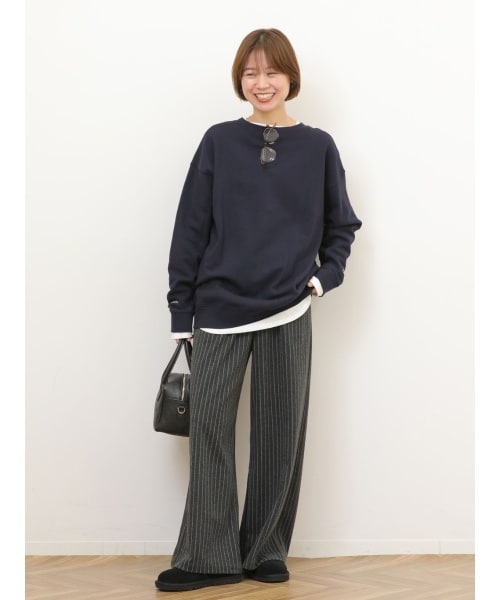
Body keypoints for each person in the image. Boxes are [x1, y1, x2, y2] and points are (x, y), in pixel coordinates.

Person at [155, 28, 362, 593]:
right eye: (250, 73)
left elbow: (342, 226)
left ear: (291, 77)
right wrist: (181, 310)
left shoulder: (319, 147)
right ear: (239, 80)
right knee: (209, 433)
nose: (261, 82)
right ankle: (208, 557)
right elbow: (190, 227)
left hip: (289, 309)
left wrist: (322, 279)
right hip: (218, 309)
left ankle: (265, 550)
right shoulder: (219, 141)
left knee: (278, 436)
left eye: (272, 71)